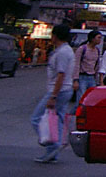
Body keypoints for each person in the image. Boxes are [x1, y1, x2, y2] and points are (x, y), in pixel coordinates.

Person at [30, 23, 73, 164]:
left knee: (36, 118)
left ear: (55, 36)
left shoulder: (62, 53)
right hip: (65, 90)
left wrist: (53, 96)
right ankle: (53, 152)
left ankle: (52, 145)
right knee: (58, 120)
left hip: (59, 91)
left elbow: (61, 75)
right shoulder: (66, 50)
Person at [72, 30, 101, 106]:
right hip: (82, 76)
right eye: (98, 38)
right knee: (81, 100)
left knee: (91, 98)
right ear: (92, 39)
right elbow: (76, 64)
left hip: (91, 77)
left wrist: (97, 79)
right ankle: (73, 115)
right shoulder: (82, 49)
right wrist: (75, 79)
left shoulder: (97, 50)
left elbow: (97, 65)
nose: (100, 40)